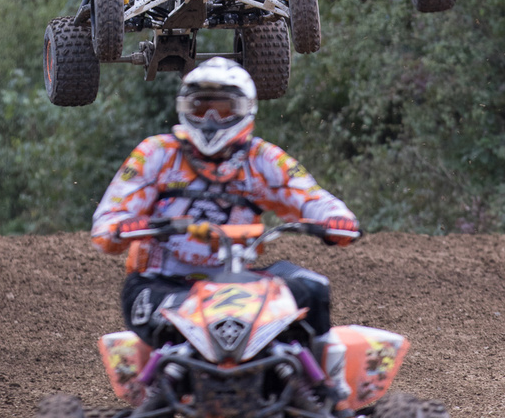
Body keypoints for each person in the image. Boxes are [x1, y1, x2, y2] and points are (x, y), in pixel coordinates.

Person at [91, 58, 359, 414]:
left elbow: (309, 197)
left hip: (241, 285)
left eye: (222, 108)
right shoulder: (155, 153)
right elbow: (109, 218)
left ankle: (330, 394)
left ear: (245, 109)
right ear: (183, 109)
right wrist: (120, 226)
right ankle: (153, 395)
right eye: (199, 108)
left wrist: (337, 220)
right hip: (163, 282)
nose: (210, 120)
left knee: (312, 287)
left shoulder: (262, 158)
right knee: (169, 333)